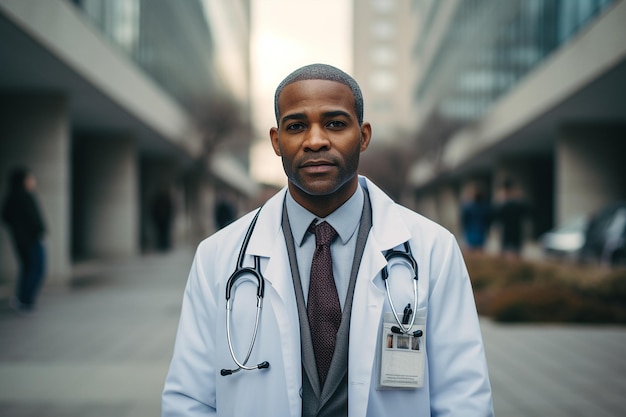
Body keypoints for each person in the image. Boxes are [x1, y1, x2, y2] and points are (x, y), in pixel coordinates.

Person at [162, 64, 493, 416]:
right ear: (276, 141)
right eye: (296, 126)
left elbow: (464, 398)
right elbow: (189, 401)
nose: (315, 140)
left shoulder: (433, 250)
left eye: (335, 124)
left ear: (363, 136)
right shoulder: (218, 255)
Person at [2, 167, 46, 312]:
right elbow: (34, 220)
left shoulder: (12, 197)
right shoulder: (26, 196)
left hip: (21, 240)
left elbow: (6, 217)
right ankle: (26, 300)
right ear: (23, 180)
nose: (33, 181)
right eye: (30, 178)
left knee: (27, 269)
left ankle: (22, 299)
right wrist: (37, 232)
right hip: (32, 240)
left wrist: (18, 231)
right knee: (36, 269)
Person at [494, 178, 529, 258]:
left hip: (512, 234)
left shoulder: (510, 204)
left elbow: (496, 216)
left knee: (510, 255)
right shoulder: (513, 203)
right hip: (511, 234)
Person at [461, 187, 493, 252]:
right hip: (481, 232)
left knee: (471, 251)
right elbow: (488, 221)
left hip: (470, 232)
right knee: (479, 250)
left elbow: (464, 221)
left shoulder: (468, 208)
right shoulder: (485, 208)